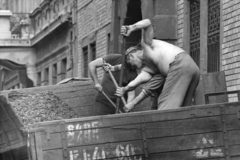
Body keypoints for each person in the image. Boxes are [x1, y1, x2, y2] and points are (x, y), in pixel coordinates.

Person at [115, 19, 200, 111]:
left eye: (130, 64)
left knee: (165, 108)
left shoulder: (146, 45)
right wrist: (124, 89)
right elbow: (135, 82)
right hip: (192, 68)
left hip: (179, 65)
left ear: (131, 56)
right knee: (184, 109)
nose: (132, 67)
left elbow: (147, 22)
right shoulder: (148, 69)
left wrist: (131, 27)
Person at [88, 48, 138, 115]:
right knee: (98, 123)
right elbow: (92, 64)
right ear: (129, 56)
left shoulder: (133, 73)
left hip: (120, 103)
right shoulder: (114, 58)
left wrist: (128, 107)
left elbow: (131, 94)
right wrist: (96, 83)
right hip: (104, 100)